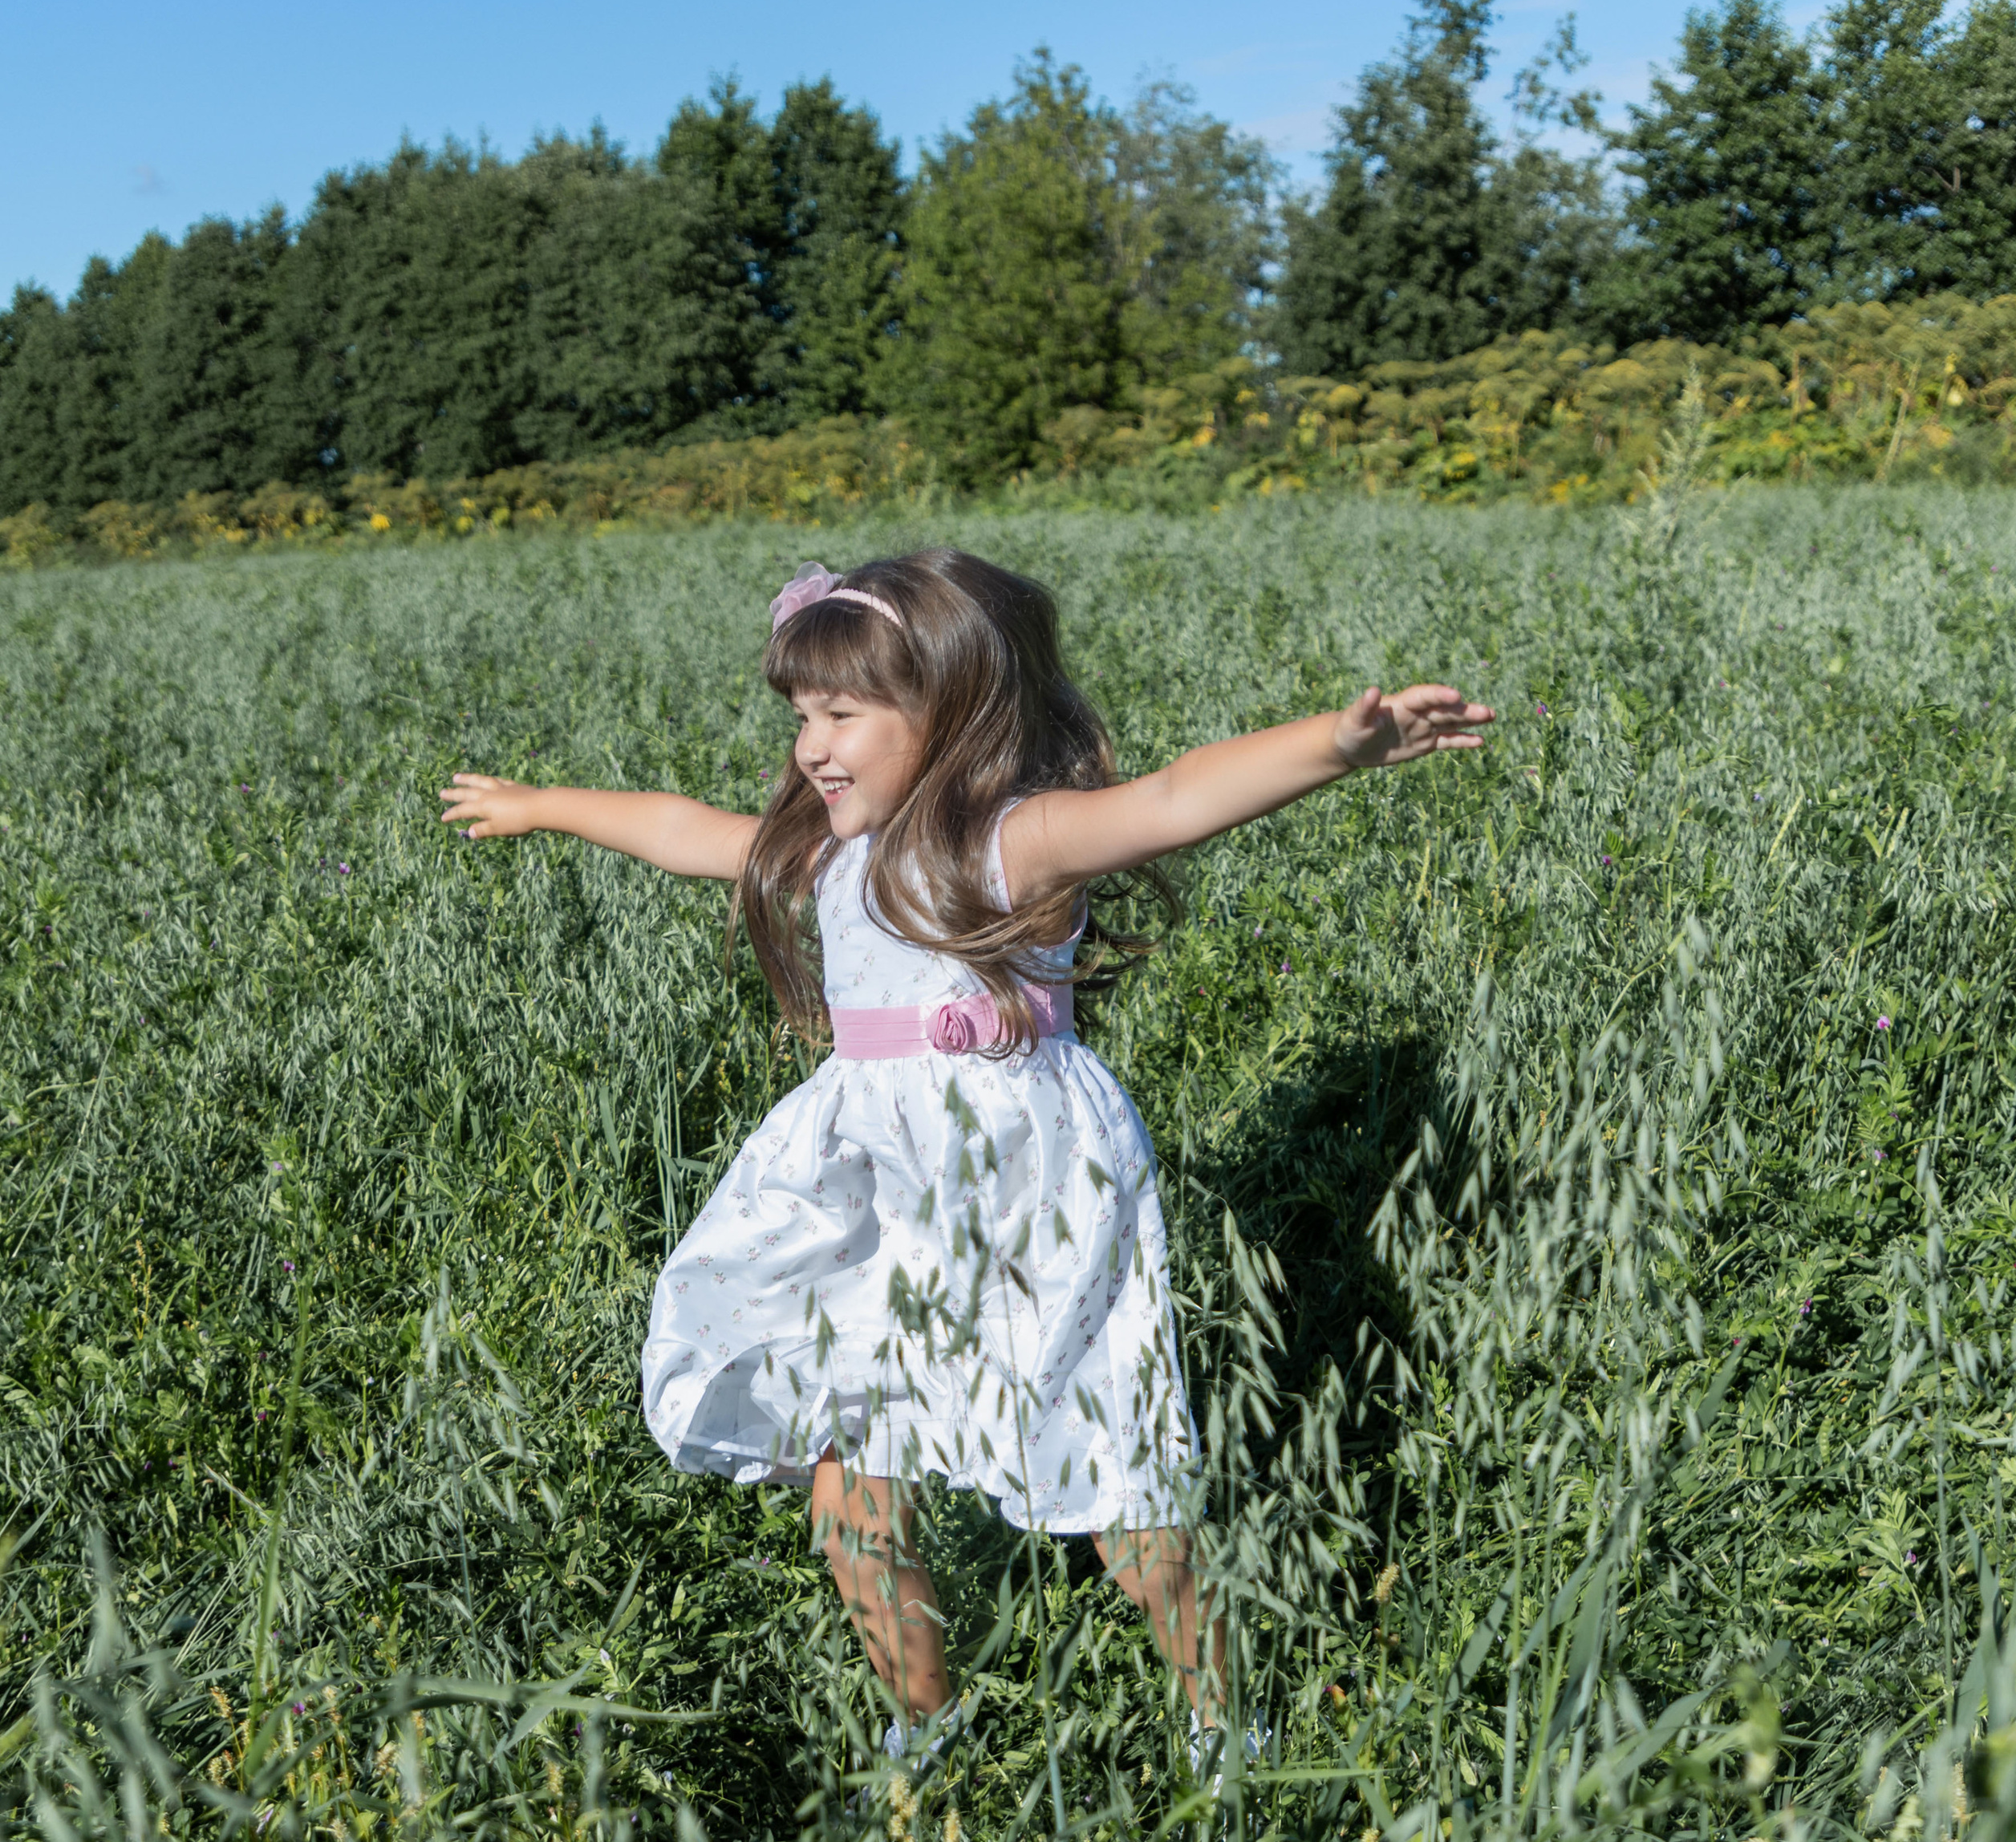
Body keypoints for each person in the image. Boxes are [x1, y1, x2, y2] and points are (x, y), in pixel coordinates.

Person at [441, 546, 1491, 1768]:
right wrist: (542, 805)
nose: (810, 749)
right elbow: (685, 830)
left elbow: (1171, 800)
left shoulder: (1010, 845)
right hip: (873, 1193)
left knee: (1113, 1484)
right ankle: (923, 1722)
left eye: (841, 715)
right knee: (847, 1489)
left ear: (950, 710)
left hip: (1024, 1190)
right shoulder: (827, 856)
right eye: (798, 718)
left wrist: (1335, 745)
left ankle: (1223, 1720)